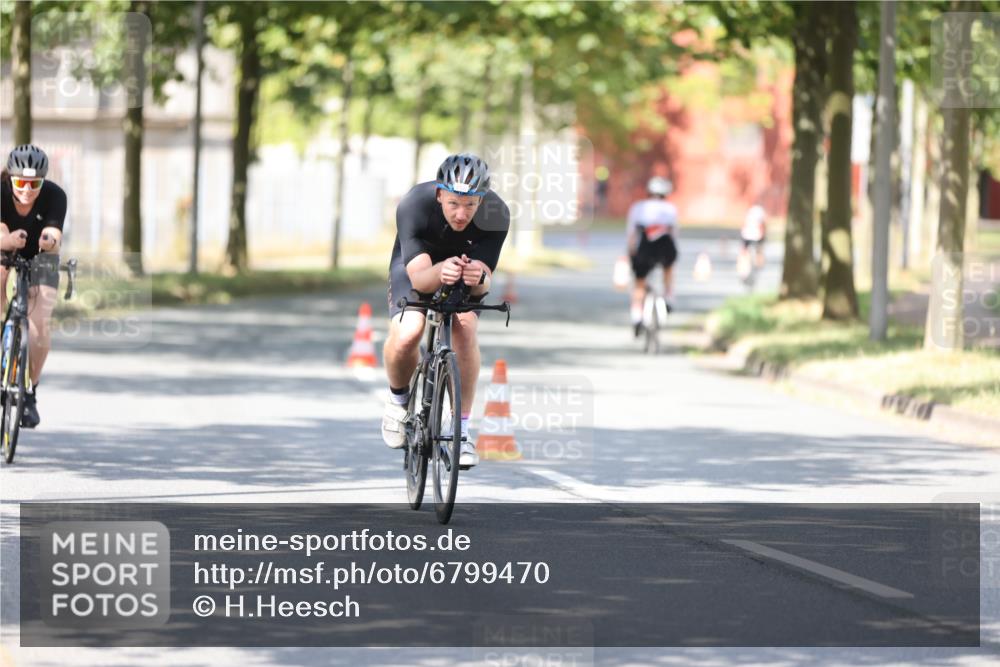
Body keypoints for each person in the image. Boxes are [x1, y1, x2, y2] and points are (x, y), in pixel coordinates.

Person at [381, 153, 510, 468]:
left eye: (470, 205)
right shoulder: (415, 204)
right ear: (439, 194)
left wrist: (477, 278)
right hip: (418, 266)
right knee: (409, 330)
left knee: (464, 331)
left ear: (482, 200)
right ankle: (398, 402)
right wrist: (441, 272)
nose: (461, 213)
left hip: (462, 266)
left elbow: (484, 283)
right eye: (453, 203)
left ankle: (461, 431)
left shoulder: (497, 214)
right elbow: (422, 281)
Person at [0, 144, 67, 429]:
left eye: (34, 183)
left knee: (40, 322)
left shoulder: (55, 196)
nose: (27, 189)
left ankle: (29, 391)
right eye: (21, 182)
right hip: (4, 246)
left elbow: (54, 232)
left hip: (41, 256)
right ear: (10, 179)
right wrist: (10, 240)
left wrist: (48, 241)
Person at [625, 176, 678, 336]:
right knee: (668, 268)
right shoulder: (670, 209)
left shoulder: (638, 207)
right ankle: (668, 297)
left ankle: (636, 317)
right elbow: (675, 234)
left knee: (639, 282)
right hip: (665, 247)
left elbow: (631, 234)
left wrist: (630, 253)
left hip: (645, 248)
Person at [739, 201, 767, 272]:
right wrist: (763, 233)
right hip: (756, 234)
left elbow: (744, 222)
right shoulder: (760, 211)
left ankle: (743, 266)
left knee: (744, 250)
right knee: (759, 250)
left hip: (747, 234)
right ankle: (759, 266)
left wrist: (743, 232)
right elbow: (762, 224)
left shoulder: (749, 211)